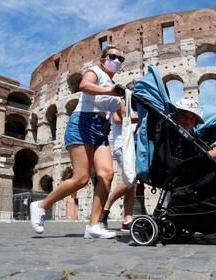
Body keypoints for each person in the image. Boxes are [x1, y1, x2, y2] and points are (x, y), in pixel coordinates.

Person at [29, 46, 127, 238]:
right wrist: (111, 91)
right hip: (82, 122)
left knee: (106, 174)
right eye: (113, 56)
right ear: (103, 59)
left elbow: (119, 118)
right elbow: (84, 86)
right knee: (81, 178)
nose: (117, 60)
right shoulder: (96, 72)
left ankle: (93, 226)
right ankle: (41, 206)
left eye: (121, 59)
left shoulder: (116, 86)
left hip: (100, 130)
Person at [99, 88, 138, 231]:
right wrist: (144, 117)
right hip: (122, 145)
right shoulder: (118, 102)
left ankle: (127, 220)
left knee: (132, 184)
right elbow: (118, 119)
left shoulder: (133, 106)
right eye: (133, 92)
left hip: (132, 145)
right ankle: (106, 207)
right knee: (131, 178)